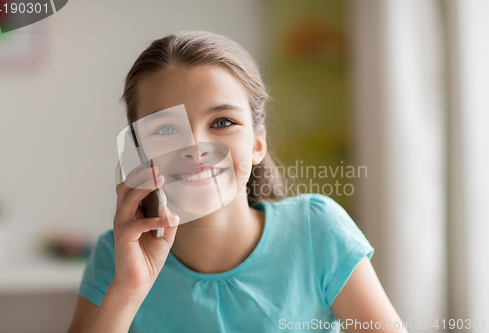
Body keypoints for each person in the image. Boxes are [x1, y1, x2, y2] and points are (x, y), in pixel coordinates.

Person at [67, 31, 408, 333]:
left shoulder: (316, 230)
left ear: (258, 143)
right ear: (139, 152)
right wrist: (127, 290)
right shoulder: (115, 257)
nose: (196, 149)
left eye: (222, 122)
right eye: (167, 130)